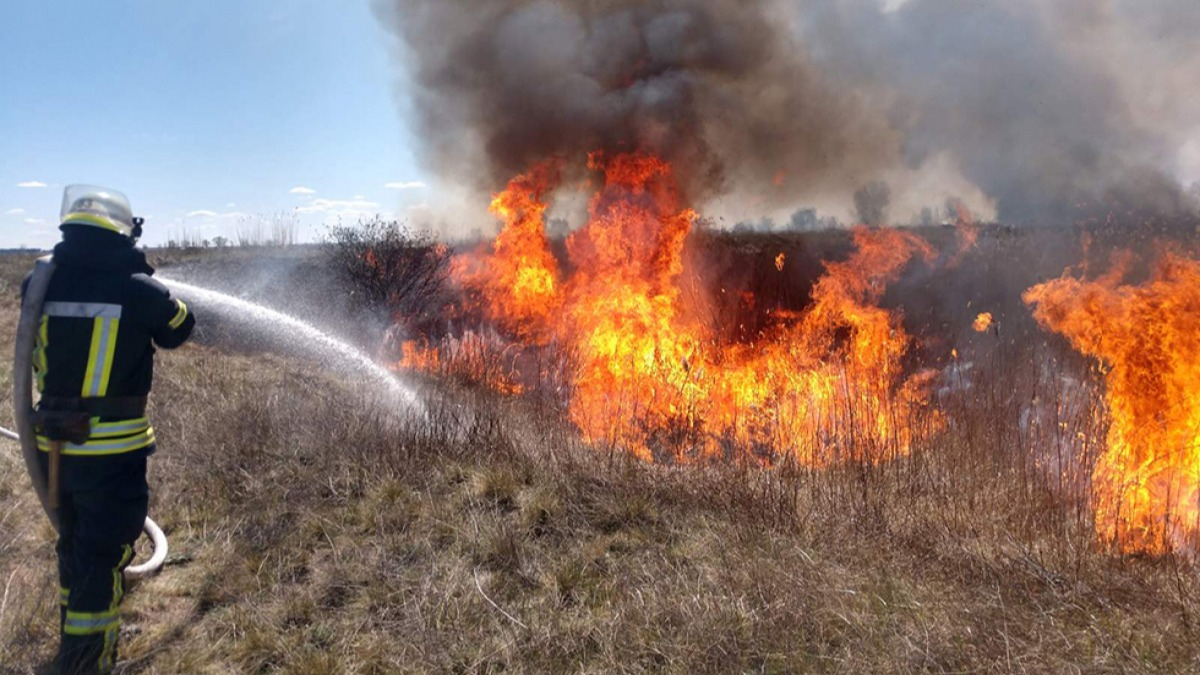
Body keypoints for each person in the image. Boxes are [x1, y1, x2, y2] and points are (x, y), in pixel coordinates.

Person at [21, 185, 195, 674]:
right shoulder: (136, 290)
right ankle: (88, 662)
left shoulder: (41, 282)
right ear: (122, 231)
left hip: (53, 448)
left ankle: (75, 643)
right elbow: (180, 327)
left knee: (73, 544)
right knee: (102, 554)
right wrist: (150, 281)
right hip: (111, 454)